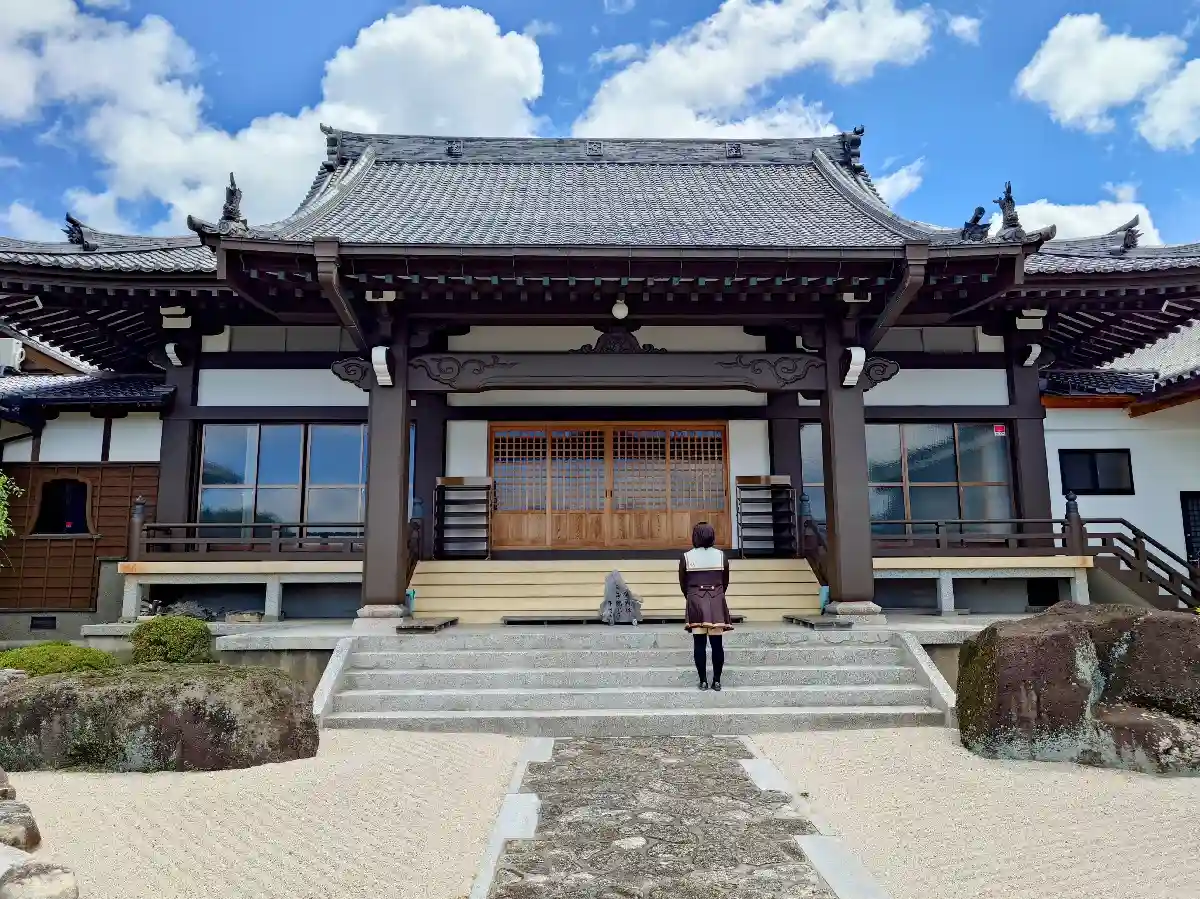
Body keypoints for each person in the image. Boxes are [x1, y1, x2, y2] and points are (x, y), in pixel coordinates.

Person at [679, 521, 733, 691]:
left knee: (699, 644)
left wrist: (692, 596)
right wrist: (716, 595)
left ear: (695, 536)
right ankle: (716, 681)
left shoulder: (686, 557)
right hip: (716, 601)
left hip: (695, 601)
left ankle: (703, 681)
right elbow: (725, 582)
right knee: (717, 644)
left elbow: (683, 584)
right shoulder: (721, 556)